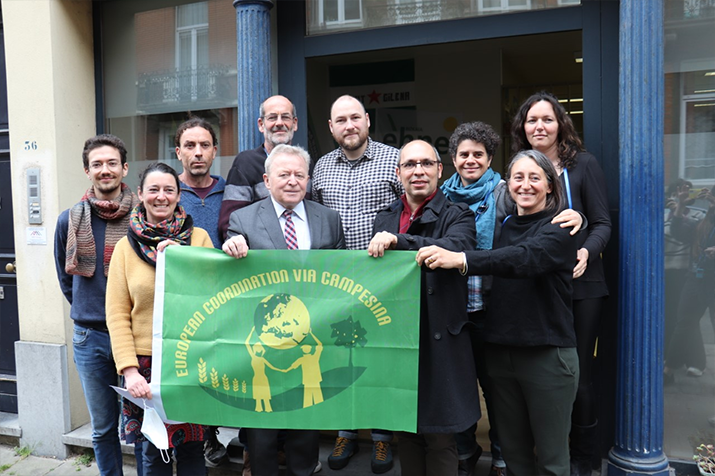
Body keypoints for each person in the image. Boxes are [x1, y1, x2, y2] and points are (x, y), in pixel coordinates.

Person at [417, 149, 579, 476]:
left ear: (550, 185)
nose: (525, 185)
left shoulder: (560, 228)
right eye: (518, 177)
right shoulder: (504, 223)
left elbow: (522, 258)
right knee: (513, 455)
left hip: (547, 356)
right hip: (502, 355)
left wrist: (462, 259)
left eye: (535, 178)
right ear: (508, 185)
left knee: (551, 461)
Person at [223, 144, 345, 476]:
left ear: (308, 179)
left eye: (299, 175)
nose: (292, 181)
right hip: (264, 342)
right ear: (266, 179)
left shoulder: (330, 220)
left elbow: (340, 278)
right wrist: (230, 245)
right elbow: (229, 274)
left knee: (305, 435)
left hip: (310, 338)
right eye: (284, 174)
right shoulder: (243, 219)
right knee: (261, 440)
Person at [511, 91, 611, 476]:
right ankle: (546, 455)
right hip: (538, 289)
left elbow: (602, 221)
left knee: (579, 375)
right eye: (531, 120)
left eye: (547, 119)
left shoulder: (583, 165)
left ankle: (583, 462)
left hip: (582, 286)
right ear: (523, 126)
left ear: (561, 125)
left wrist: (586, 251)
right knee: (543, 374)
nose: (539, 126)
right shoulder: (522, 167)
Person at [368, 139, 479, 476]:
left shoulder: (458, 213)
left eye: (426, 164)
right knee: (406, 432)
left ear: (439, 170)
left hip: (441, 338)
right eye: (410, 165)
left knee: (441, 437)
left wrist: (401, 241)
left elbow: (455, 246)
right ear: (399, 172)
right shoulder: (385, 216)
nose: (418, 171)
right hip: (398, 338)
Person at [312, 94, 402, 473]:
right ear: (331, 128)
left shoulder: (395, 159)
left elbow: (412, 209)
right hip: (334, 285)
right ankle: (345, 432)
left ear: (367, 120)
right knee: (340, 356)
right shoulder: (319, 167)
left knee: (379, 358)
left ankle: (382, 439)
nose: (349, 125)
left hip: (384, 281)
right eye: (340, 120)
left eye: (355, 118)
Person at [106, 162, 213, 475]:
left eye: (169, 189)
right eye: (153, 190)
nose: (161, 196)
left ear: (179, 195)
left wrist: (181, 260)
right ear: (140, 194)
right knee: (153, 452)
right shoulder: (125, 249)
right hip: (145, 367)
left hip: (190, 361)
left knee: (194, 449)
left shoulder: (200, 239)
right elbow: (116, 313)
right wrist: (130, 372)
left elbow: (213, 297)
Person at [54, 134, 141, 476]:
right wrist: (89, 309)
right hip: (90, 339)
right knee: (103, 428)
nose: (105, 170)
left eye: (111, 163)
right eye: (97, 165)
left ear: (124, 168)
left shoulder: (142, 218)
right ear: (87, 171)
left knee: (144, 426)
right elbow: (65, 277)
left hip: (136, 336)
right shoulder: (69, 220)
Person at [219, 95, 298, 240]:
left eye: (285, 117)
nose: (279, 123)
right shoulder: (245, 163)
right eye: (272, 117)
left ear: (295, 123)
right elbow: (230, 223)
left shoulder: (305, 164)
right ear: (261, 125)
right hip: (261, 256)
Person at [664, 184, 715, 382]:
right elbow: (679, 231)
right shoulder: (704, 222)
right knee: (684, 323)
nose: (710, 202)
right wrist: (680, 206)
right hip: (697, 278)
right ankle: (668, 369)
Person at [175, 117, 226, 248]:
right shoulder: (167, 195)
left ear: (214, 152)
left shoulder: (230, 194)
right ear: (178, 153)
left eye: (205, 145)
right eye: (190, 146)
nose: (198, 153)